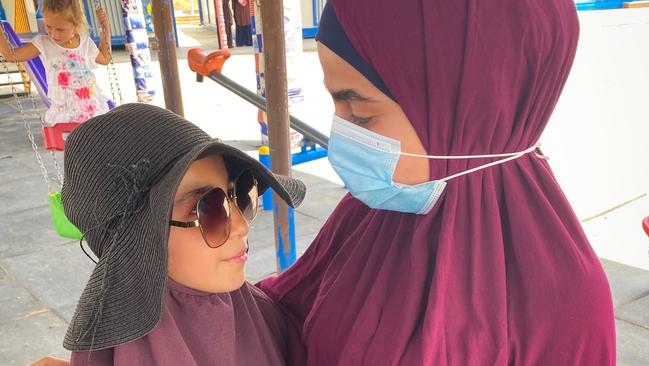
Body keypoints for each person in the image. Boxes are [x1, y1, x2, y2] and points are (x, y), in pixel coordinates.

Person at [258, 0, 616, 364]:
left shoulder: (564, 304)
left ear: (467, 108)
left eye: (361, 114)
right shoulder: (373, 213)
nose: (340, 134)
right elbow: (290, 310)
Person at [32, 103, 305, 365]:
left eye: (241, 194)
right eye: (207, 207)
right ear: (141, 240)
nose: (242, 227)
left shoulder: (253, 307)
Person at [0, 0, 111, 123]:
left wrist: (105, 28)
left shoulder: (85, 43)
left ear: (76, 24)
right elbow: (11, 55)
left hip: (93, 111)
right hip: (65, 116)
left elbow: (105, 59)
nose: (54, 34)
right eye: (48, 26)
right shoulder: (43, 43)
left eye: (60, 29)